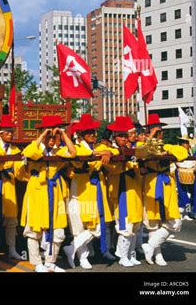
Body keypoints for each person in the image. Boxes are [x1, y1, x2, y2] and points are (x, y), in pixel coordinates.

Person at [21, 115, 76, 272]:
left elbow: (73, 153)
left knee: (58, 230)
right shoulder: (36, 148)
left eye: (55, 136)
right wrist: (43, 134)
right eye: (49, 136)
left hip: (55, 191)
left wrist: (63, 133)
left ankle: (50, 262)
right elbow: (28, 152)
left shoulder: (59, 151)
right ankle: (37, 263)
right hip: (37, 191)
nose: (52, 139)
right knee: (33, 230)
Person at [63, 114, 116, 270]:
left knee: (98, 226)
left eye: (93, 132)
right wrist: (99, 154)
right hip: (80, 189)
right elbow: (75, 155)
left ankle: (71, 247)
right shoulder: (77, 147)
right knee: (79, 226)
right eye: (88, 133)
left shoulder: (99, 147)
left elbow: (114, 150)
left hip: (96, 189)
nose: (93, 135)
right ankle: (83, 257)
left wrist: (109, 153)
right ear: (80, 135)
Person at [141, 114, 188, 266]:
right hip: (151, 183)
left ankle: (150, 246)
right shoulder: (141, 145)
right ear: (147, 131)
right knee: (153, 222)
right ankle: (157, 254)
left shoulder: (166, 146)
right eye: (155, 130)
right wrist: (150, 138)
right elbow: (141, 152)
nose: (159, 134)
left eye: (159, 131)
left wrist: (169, 154)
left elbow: (183, 152)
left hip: (166, 184)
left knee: (174, 221)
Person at [0, 114, 25, 261]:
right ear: (0, 134)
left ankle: (12, 249)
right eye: (7, 132)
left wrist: (24, 165)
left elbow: (20, 173)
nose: (11, 135)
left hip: (9, 186)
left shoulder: (15, 150)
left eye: (12, 132)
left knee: (11, 221)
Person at [105, 116, 143, 267]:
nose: (124, 138)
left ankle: (129, 254)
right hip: (121, 193)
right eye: (121, 136)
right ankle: (122, 257)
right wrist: (109, 153)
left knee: (135, 225)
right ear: (115, 137)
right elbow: (103, 151)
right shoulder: (110, 148)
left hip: (134, 192)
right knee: (125, 226)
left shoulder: (132, 149)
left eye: (125, 135)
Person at [174, 135, 196, 221]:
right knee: (183, 193)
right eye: (183, 142)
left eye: (186, 142)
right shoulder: (178, 151)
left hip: (190, 174)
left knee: (191, 193)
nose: (185, 144)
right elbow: (178, 163)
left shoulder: (190, 152)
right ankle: (184, 212)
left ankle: (186, 212)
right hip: (180, 173)